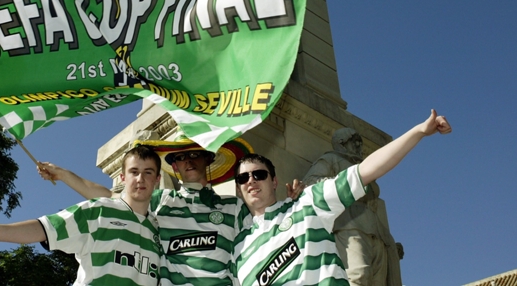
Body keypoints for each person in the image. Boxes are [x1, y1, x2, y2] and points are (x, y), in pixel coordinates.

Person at [39, 135, 302, 286]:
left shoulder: (233, 207)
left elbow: (265, 229)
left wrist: (291, 205)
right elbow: (109, 197)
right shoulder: (160, 200)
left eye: (195, 154)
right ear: (174, 167)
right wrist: (63, 174)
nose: (188, 160)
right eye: (180, 157)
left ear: (208, 159)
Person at [232, 109, 451, 286]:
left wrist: (419, 131)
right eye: (243, 178)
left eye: (258, 174)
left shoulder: (307, 205)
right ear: (239, 187)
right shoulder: (238, 251)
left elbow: (366, 171)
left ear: (274, 181)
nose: (250, 181)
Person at [0, 146, 163, 286]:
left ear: (157, 179)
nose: (140, 179)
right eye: (134, 171)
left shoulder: (159, 230)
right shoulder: (98, 211)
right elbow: (44, 228)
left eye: (148, 172)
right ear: (123, 177)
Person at [302, 127, 402, 286]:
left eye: (360, 143)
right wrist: (340, 186)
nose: (359, 147)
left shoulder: (362, 166)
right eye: (355, 142)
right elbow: (310, 183)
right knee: (358, 276)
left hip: (375, 229)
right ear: (342, 144)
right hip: (348, 223)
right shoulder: (331, 159)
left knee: (378, 282)